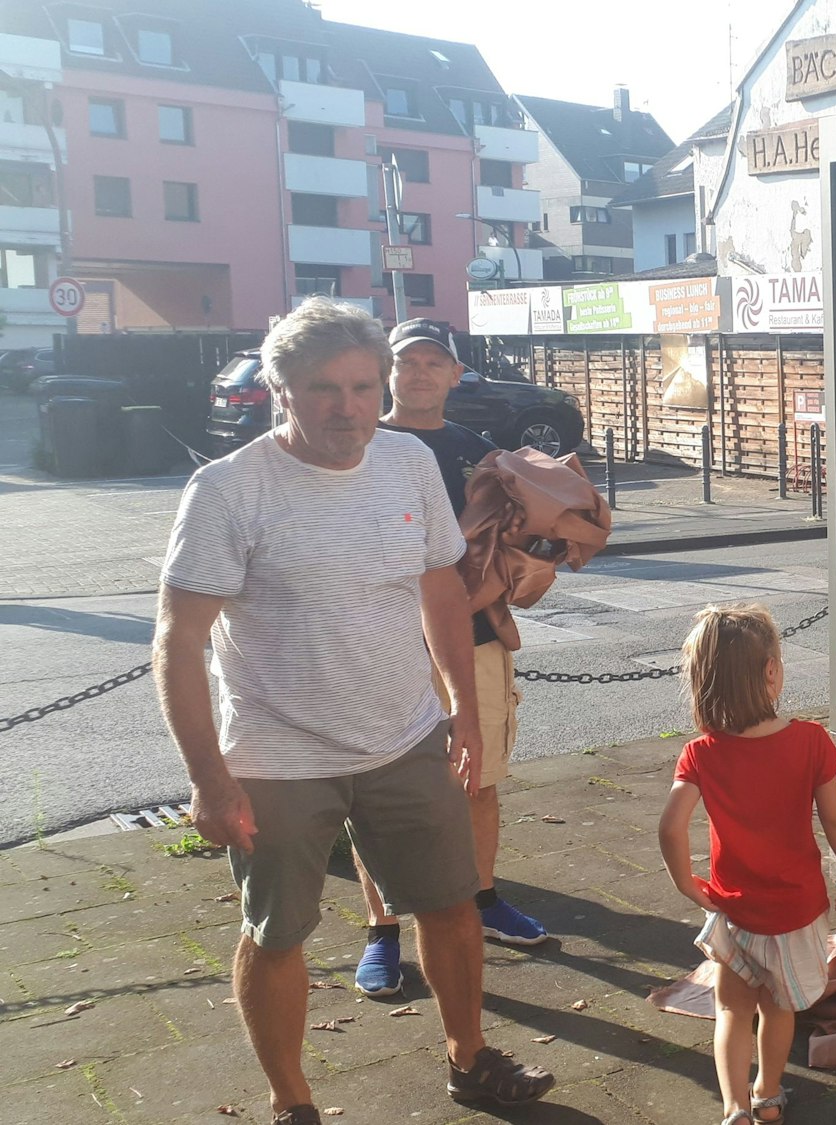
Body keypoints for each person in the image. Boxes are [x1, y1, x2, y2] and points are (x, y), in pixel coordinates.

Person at [152, 298, 554, 1124]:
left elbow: (441, 588)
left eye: (364, 387)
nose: (349, 408)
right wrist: (209, 777)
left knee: (451, 904)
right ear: (280, 390)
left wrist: (461, 711)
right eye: (324, 388)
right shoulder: (229, 490)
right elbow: (177, 641)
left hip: (405, 735)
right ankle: (291, 1102)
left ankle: (469, 1060)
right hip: (275, 756)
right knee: (277, 934)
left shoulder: (406, 462)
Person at [350, 319, 549, 1000]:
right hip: (386, 641)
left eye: (436, 363)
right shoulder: (358, 445)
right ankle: (382, 930)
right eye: (409, 362)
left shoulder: (480, 452)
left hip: (476, 638)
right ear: (387, 369)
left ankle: (485, 896)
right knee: (373, 791)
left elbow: (523, 533)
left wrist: (525, 563)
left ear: (456, 374)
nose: (421, 374)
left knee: (481, 777)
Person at [658, 604, 836, 1125]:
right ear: (771, 672)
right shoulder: (810, 742)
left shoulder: (700, 753)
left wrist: (688, 885)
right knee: (779, 1009)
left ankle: (733, 1109)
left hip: (735, 909)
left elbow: (670, 827)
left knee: (731, 1009)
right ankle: (767, 1096)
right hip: (797, 909)